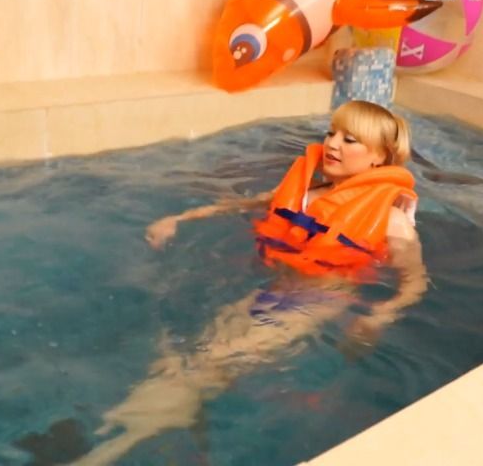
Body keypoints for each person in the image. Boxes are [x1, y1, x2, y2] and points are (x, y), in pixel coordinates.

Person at [69, 101, 428, 466]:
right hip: (275, 291)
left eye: (350, 140)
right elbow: (243, 204)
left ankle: (107, 450)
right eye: (331, 133)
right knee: (192, 356)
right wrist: (180, 218)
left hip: (316, 300)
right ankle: (152, 433)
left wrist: (381, 315)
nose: (333, 144)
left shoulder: (391, 223)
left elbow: (414, 282)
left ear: (379, 158)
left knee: (205, 364)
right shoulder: (307, 194)